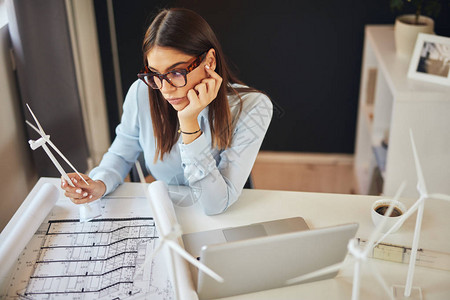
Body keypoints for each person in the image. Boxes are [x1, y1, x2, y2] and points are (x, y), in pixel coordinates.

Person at [61, 8, 272, 215]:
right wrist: (99, 183)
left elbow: (214, 205)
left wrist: (189, 123)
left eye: (177, 72)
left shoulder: (254, 107)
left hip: (226, 218)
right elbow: (121, 154)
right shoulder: (142, 92)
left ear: (209, 61)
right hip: (170, 214)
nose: (166, 89)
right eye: (155, 74)